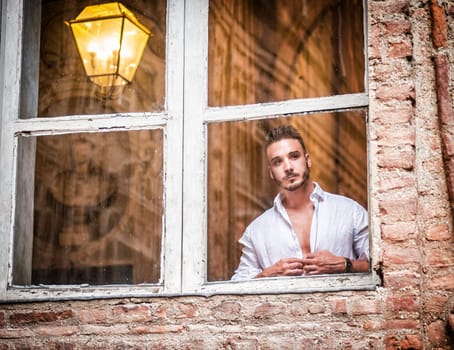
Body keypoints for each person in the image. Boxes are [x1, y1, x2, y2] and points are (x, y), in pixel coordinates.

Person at [231, 125, 369, 280]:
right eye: (277, 162)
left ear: (308, 160)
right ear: (271, 172)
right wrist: (267, 275)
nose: (288, 167)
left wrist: (345, 265)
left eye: (294, 156)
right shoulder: (257, 231)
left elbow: (380, 267)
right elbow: (238, 286)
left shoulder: (349, 211)